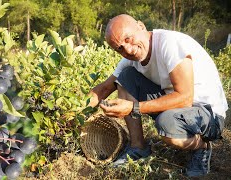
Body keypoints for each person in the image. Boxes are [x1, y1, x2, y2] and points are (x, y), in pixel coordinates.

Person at [88, 14, 228, 177]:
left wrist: (134, 107)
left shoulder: (168, 43)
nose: (128, 49)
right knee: (126, 77)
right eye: (119, 48)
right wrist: (73, 113)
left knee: (166, 124)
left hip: (208, 114)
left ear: (141, 26)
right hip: (179, 109)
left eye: (128, 39)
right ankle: (138, 148)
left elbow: (185, 97)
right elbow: (104, 89)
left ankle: (201, 146)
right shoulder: (130, 59)